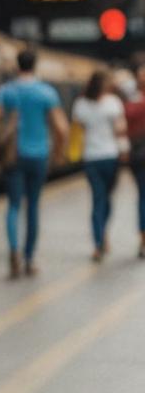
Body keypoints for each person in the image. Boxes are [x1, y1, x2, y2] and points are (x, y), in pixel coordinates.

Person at [0, 47, 69, 279]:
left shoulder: (6, 91)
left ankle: (13, 249)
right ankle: (29, 258)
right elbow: (62, 128)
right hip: (38, 155)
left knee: (13, 205)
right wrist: (58, 153)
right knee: (32, 206)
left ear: (17, 65)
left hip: (13, 156)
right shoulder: (46, 93)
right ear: (35, 66)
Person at [72, 69, 127, 261]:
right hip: (110, 156)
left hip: (91, 157)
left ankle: (98, 241)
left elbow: (79, 129)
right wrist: (124, 151)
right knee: (108, 199)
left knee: (97, 199)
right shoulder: (113, 103)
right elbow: (120, 130)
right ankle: (102, 236)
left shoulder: (80, 104)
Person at [121, 59, 145, 259]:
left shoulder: (130, 104)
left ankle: (143, 238)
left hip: (137, 155)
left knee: (142, 197)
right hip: (139, 155)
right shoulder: (132, 104)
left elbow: (123, 130)